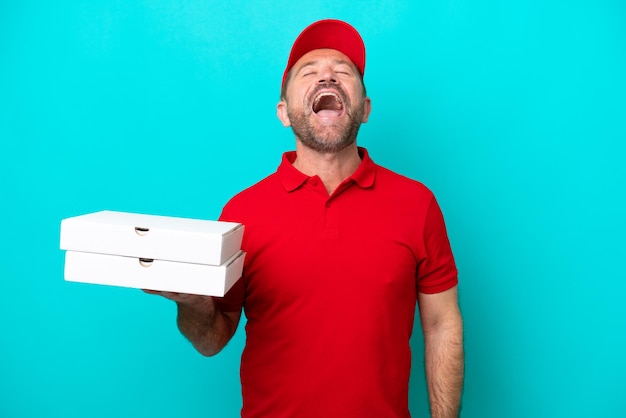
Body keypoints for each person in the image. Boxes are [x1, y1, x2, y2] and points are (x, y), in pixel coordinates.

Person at [148, 19, 464, 418]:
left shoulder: (417, 204)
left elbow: (441, 325)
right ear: (284, 112)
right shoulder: (241, 213)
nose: (327, 76)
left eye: (343, 71)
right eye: (309, 72)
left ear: (364, 110)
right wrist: (191, 303)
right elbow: (213, 339)